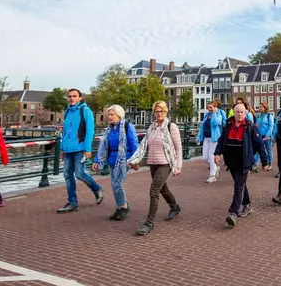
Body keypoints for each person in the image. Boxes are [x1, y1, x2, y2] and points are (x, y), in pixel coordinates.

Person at [127, 101, 183, 236]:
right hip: (153, 163)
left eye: (162, 111)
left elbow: (178, 147)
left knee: (154, 191)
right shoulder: (151, 127)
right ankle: (175, 207)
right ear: (154, 113)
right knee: (163, 188)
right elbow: (143, 146)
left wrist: (178, 166)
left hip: (165, 163)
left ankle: (149, 223)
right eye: (157, 111)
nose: (159, 113)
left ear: (166, 111)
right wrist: (134, 160)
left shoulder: (171, 126)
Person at [214, 103, 266, 227]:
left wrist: (264, 161)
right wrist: (217, 153)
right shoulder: (228, 124)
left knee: (238, 186)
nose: (240, 114)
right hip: (231, 161)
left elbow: (259, 144)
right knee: (241, 184)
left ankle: (232, 213)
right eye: (237, 112)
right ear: (234, 112)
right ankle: (247, 204)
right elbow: (222, 140)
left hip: (244, 161)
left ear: (246, 113)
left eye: (242, 112)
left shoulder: (250, 126)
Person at [57, 89, 103, 213]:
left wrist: (87, 149)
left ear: (80, 98)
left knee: (79, 174)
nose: (71, 98)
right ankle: (72, 202)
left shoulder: (85, 111)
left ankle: (97, 189)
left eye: (74, 96)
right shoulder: (67, 112)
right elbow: (65, 132)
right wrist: (62, 148)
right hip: (67, 149)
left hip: (79, 148)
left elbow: (90, 131)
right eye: (70, 96)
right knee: (67, 175)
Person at [92, 105, 139, 221]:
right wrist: (97, 160)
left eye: (112, 114)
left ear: (119, 115)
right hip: (111, 158)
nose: (110, 117)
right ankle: (120, 206)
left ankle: (123, 206)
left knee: (117, 183)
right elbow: (103, 146)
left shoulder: (128, 127)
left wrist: (135, 160)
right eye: (109, 114)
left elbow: (134, 144)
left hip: (124, 159)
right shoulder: (109, 129)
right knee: (114, 184)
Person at [196, 100, 225, 183]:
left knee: (211, 156)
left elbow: (217, 123)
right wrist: (199, 136)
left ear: (215, 107)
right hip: (206, 138)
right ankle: (215, 167)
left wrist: (214, 114)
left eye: (211, 107)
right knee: (205, 158)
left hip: (214, 138)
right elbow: (202, 127)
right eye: (208, 107)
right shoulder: (206, 115)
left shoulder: (218, 115)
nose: (209, 109)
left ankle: (212, 176)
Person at [255, 103, 274, 171]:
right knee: (258, 150)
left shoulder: (269, 116)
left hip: (267, 136)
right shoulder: (258, 116)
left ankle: (270, 164)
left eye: (261, 107)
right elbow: (256, 126)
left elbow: (271, 126)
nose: (260, 108)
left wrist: (268, 135)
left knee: (269, 150)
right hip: (259, 136)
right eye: (259, 107)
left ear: (265, 108)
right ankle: (256, 164)